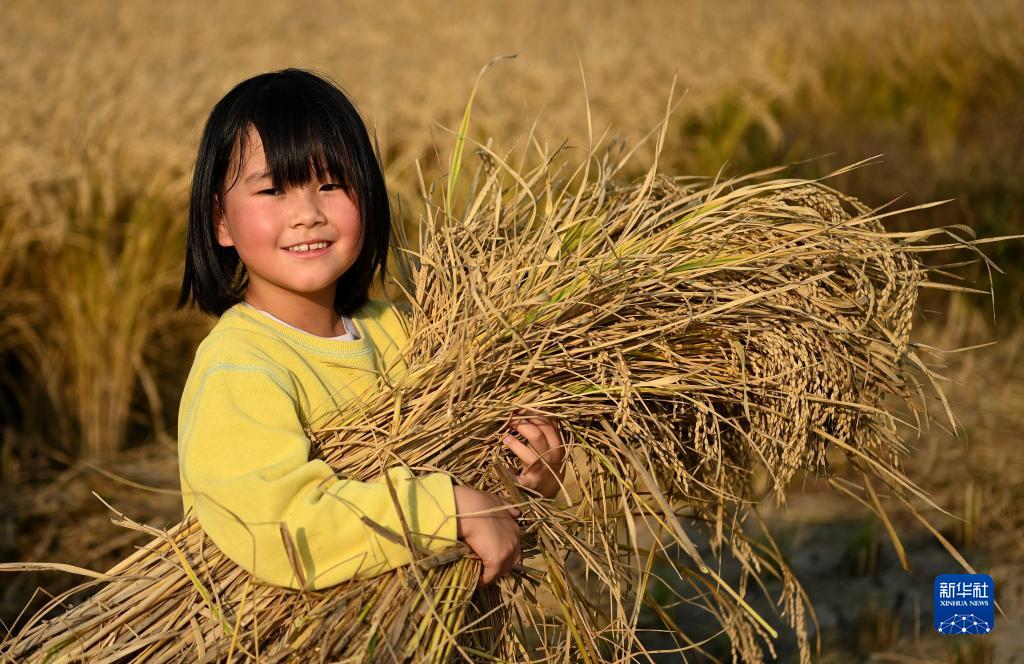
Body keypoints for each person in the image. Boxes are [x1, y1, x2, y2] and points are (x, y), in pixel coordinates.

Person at [175, 68, 565, 591]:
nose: (307, 214)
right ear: (220, 221)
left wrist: (533, 476)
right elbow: (284, 530)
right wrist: (443, 508)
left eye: (331, 184)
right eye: (272, 190)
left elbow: (484, 503)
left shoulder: (397, 332)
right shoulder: (239, 369)